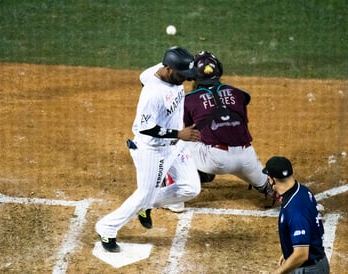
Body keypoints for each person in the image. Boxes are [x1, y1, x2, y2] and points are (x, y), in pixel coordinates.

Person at [95, 46, 202, 252]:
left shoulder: (159, 73)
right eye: (183, 75)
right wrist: (178, 134)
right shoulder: (153, 94)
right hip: (154, 150)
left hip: (175, 146)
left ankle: (146, 205)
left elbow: (142, 76)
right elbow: (144, 129)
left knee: (191, 188)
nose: (186, 80)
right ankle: (107, 227)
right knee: (144, 193)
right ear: (168, 69)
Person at [164, 50, 275, 212]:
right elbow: (244, 100)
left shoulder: (188, 100)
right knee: (274, 187)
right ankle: (270, 187)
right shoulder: (239, 94)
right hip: (247, 158)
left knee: (174, 141)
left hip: (215, 161)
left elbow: (189, 131)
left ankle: (174, 198)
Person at [263, 156, 330, 274]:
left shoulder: (295, 211)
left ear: (273, 179)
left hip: (308, 269)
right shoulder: (302, 191)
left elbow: (301, 255)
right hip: (313, 265)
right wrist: (288, 252)